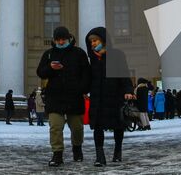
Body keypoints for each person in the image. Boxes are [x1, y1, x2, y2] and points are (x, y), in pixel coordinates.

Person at [36, 25, 90, 167]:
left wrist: (82, 89)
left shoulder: (79, 53)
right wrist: (50, 68)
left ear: (69, 38)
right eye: (58, 39)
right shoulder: (48, 54)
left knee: (77, 128)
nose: (60, 42)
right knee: (55, 127)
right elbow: (40, 72)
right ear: (54, 40)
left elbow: (86, 74)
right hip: (55, 97)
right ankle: (57, 154)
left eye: (63, 39)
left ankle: (77, 148)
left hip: (74, 97)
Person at [84, 27, 133, 167]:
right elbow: (88, 79)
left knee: (118, 126)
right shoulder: (92, 59)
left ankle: (117, 152)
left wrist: (128, 90)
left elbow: (124, 74)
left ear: (103, 40)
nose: (93, 43)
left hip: (114, 96)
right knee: (97, 127)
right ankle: (100, 156)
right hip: (97, 98)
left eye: (95, 40)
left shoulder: (117, 55)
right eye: (91, 41)